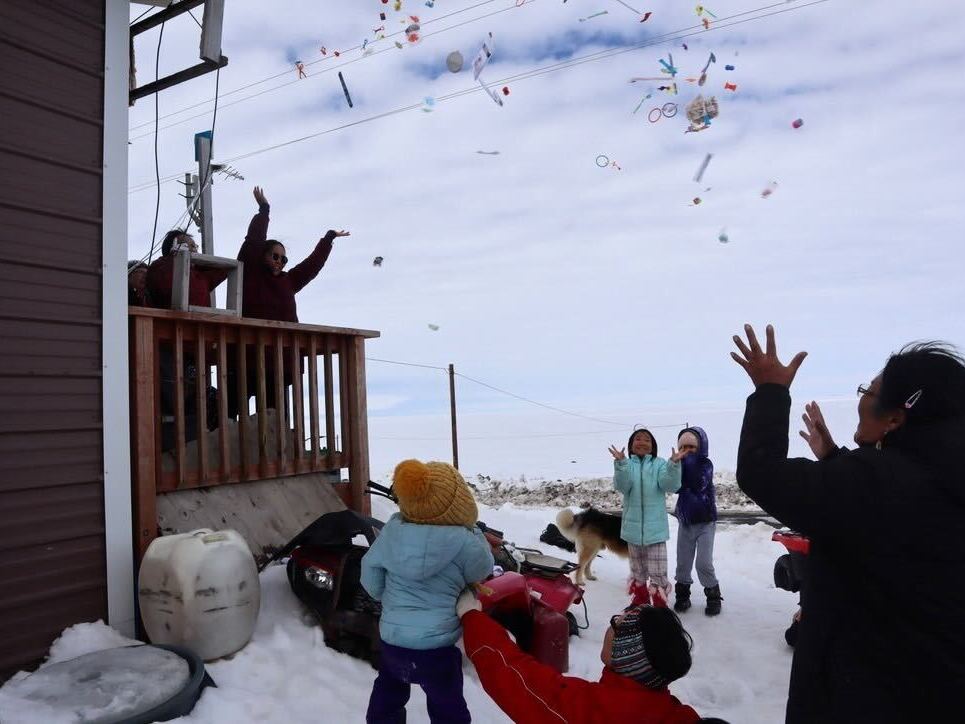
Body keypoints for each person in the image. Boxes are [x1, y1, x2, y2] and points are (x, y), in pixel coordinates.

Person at [731, 324, 965, 723]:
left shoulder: (875, 482)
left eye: (868, 392)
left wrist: (770, 391)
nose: (861, 400)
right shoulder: (943, 477)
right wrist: (836, 461)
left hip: (864, 693)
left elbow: (761, 472)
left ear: (895, 417)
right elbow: (884, 515)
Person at [360, 459, 494, 724]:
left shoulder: (391, 533)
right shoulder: (464, 542)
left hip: (393, 641)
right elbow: (481, 570)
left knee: (388, 694)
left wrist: (388, 599)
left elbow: (370, 575)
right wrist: (476, 535)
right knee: (447, 706)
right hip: (437, 648)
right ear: (460, 505)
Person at [459, 595, 725, 723]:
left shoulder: (587, 710)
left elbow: (515, 675)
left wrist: (472, 616)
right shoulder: (678, 715)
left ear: (626, 655)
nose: (610, 626)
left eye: (616, 624)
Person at [237, 186, 349, 323]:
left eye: (283, 259)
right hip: (252, 336)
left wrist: (329, 238)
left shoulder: (288, 281)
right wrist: (264, 209)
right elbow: (254, 241)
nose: (279, 261)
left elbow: (312, 265)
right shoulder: (251, 273)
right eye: (275, 256)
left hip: (287, 337)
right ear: (263, 255)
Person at [610, 429, 688, 607]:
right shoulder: (627, 465)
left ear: (653, 446)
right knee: (637, 571)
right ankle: (640, 601)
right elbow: (622, 486)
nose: (642, 442)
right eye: (638, 439)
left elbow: (670, 485)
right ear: (631, 445)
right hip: (632, 530)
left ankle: (660, 606)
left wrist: (674, 465)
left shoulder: (660, 464)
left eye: (647, 440)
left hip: (656, 531)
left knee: (658, 572)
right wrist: (621, 463)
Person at [672, 427, 722, 616]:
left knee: (703, 563)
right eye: (682, 447)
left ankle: (713, 594)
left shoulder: (705, 464)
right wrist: (673, 466)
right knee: (683, 563)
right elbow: (674, 486)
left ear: (701, 447)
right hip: (685, 522)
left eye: (691, 447)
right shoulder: (678, 465)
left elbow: (699, 483)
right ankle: (682, 594)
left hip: (705, 522)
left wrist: (685, 463)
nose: (687, 451)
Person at [145, 229, 228, 309]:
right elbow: (166, 287)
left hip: (201, 318)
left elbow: (223, 269)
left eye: (196, 247)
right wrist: (174, 257)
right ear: (176, 246)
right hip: (171, 318)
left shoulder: (200, 274)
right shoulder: (158, 266)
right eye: (192, 246)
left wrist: (197, 262)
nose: (195, 250)